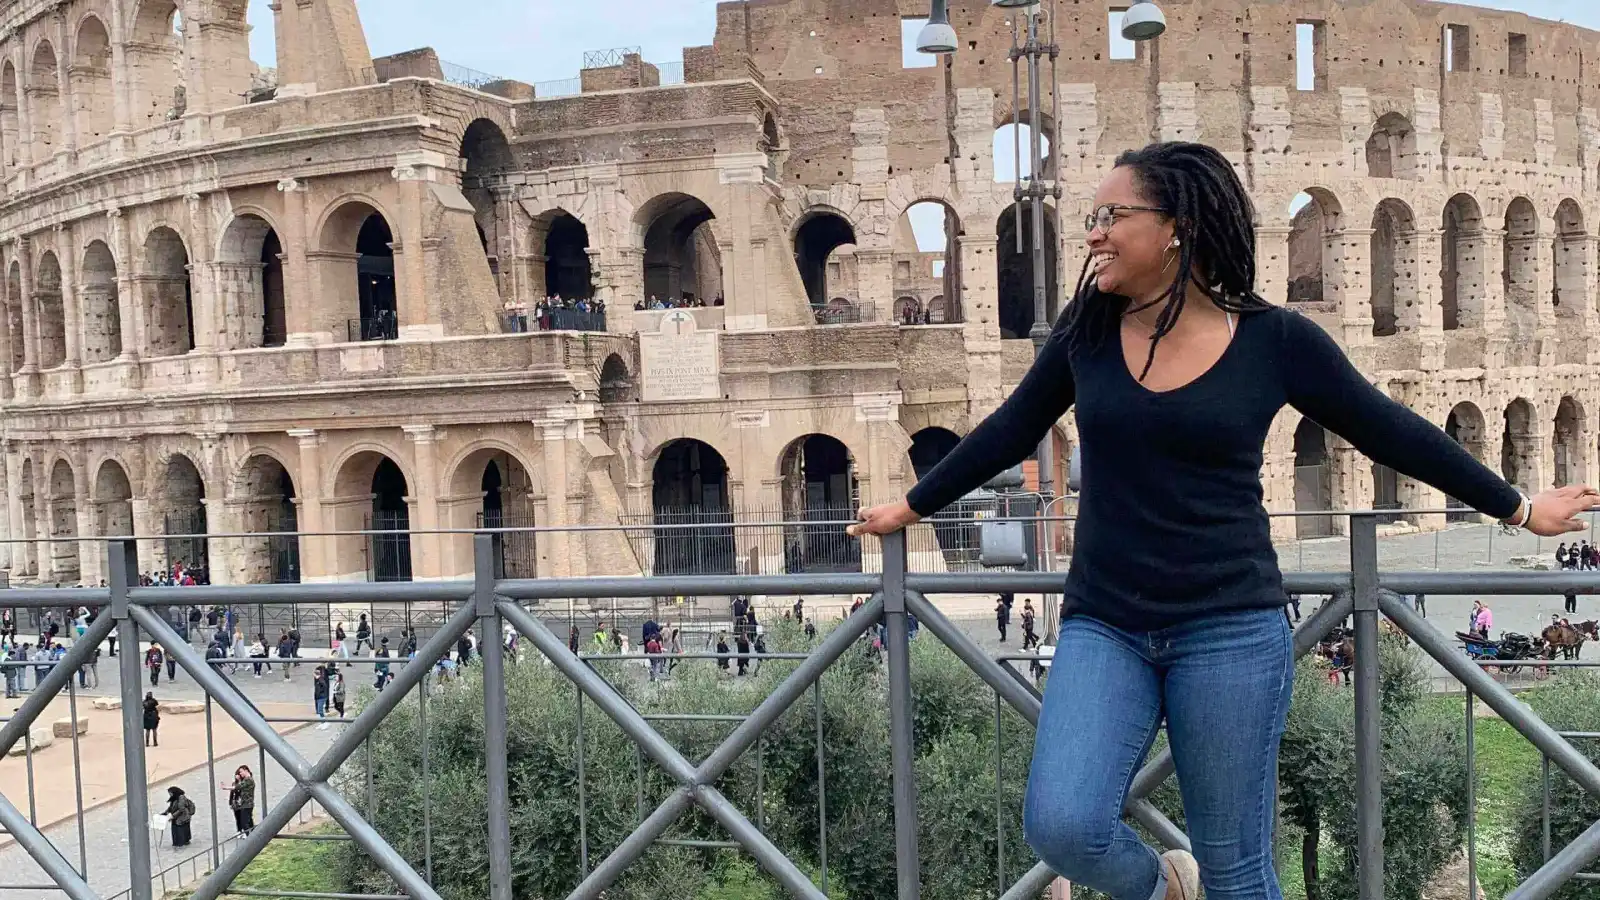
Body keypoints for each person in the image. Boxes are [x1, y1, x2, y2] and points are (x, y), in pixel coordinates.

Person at [845, 141, 1598, 900]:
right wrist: (912, 506)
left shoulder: (1276, 341)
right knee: (1063, 824)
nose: (1093, 233)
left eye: (1113, 216)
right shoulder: (1089, 331)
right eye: (1093, 217)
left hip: (1231, 626)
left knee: (1238, 872)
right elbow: (1010, 428)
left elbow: (1387, 427)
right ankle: (1164, 887)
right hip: (1106, 621)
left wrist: (1520, 507)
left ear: (1176, 226)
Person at [227, 766, 256, 835]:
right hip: (245, 804)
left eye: (241, 772)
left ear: (246, 770)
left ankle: (250, 838)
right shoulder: (247, 780)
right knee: (248, 822)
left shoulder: (248, 780)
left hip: (247, 804)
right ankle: (253, 836)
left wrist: (226, 787)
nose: (240, 773)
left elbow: (238, 787)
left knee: (244, 823)